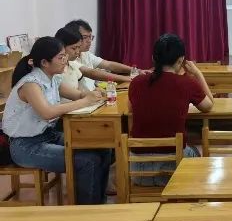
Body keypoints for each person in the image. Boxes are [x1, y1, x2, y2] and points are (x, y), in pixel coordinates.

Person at [2, 37, 111, 204]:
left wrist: (92, 94)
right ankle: (86, 210)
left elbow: (78, 95)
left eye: (64, 56)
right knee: (88, 161)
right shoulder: (31, 84)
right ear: (44, 62)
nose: (65, 60)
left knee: (104, 147)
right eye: (61, 57)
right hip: (26, 145)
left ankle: (99, 202)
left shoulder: (53, 78)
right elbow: (47, 112)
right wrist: (84, 101)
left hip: (48, 136)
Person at [128, 34, 214, 186]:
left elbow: (131, 108)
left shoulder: (136, 82)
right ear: (181, 60)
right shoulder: (187, 83)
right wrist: (197, 73)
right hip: (173, 173)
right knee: (195, 152)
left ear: (153, 58)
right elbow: (208, 106)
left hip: (139, 173)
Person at [65, 19, 141, 90]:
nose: (89, 41)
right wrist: (128, 79)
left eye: (90, 37)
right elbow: (92, 73)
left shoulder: (85, 53)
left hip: (94, 93)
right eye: (85, 37)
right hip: (83, 97)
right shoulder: (68, 58)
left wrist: (136, 71)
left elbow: (109, 65)